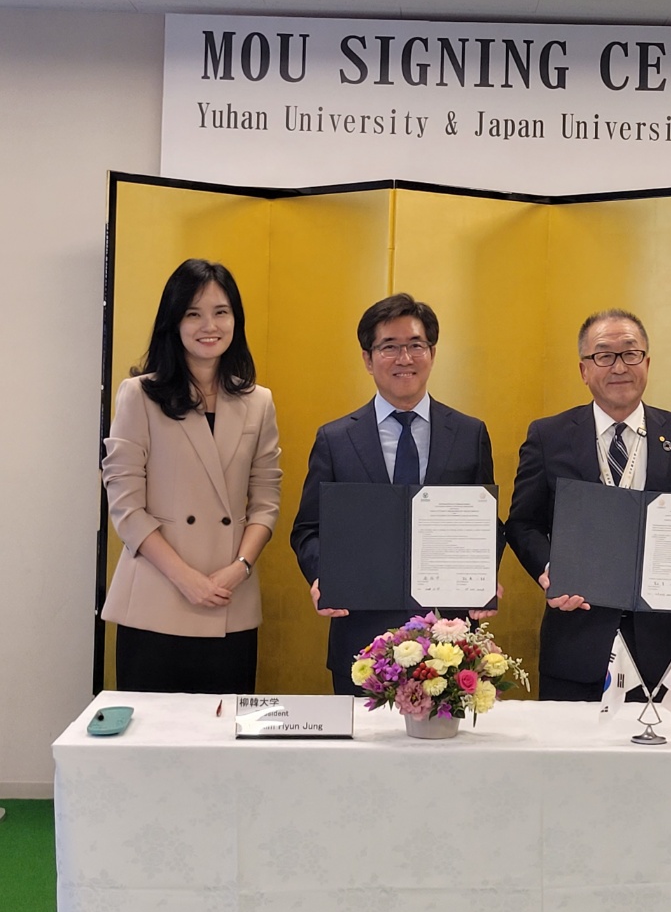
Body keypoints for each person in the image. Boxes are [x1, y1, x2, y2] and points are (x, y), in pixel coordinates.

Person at [506, 308, 671, 700]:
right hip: (576, 637)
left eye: (631, 353)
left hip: (663, 645)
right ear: (584, 369)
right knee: (571, 758)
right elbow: (523, 524)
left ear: (648, 363)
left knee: (661, 760)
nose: (619, 366)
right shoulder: (548, 437)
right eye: (604, 355)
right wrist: (550, 570)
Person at [290, 293, 497, 694]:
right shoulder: (335, 439)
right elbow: (308, 529)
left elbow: (487, 522)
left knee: (443, 752)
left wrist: (486, 572)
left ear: (432, 353)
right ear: (368, 359)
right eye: (389, 347)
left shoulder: (469, 434)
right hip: (362, 638)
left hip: (449, 641)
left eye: (415, 345)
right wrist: (321, 575)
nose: (405, 358)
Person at [102, 259, 281, 694]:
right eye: (193, 313)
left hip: (230, 600)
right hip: (156, 599)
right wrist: (186, 578)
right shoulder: (140, 395)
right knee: (151, 747)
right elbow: (125, 504)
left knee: (225, 748)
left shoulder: (258, 402)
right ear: (173, 321)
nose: (210, 325)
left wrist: (238, 568)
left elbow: (266, 501)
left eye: (221, 312)